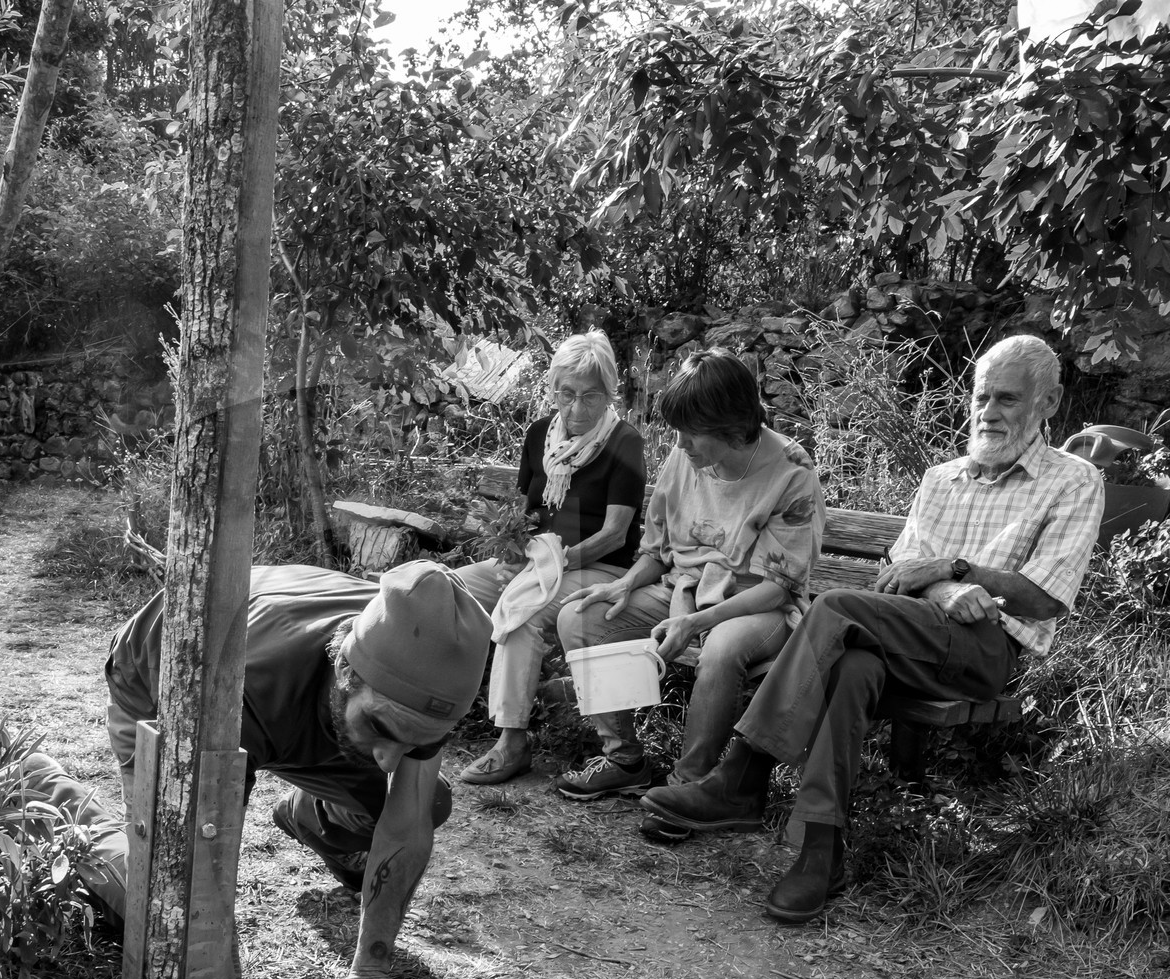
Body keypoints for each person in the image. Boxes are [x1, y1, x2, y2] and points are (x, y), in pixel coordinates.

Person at [639, 334, 1104, 922]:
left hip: (988, 649)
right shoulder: (942, 478)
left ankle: (743, 774)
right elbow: (896, 579)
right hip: (911, 631)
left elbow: (1044, 598)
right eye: (981, 396)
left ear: (1050, 403)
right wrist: (949, 586)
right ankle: (819, 850)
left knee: (835, 607)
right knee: (854, 666)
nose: (988, 412)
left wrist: (955, 569)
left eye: (1007, 399)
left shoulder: (1074, 480)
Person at [102, 561, 491, 979]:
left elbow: (407, 820)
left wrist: (371, 969)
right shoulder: (238, 680)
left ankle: (307, 815)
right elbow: (195, 872)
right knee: (155, 846)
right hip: (162, 679)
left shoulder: (420, 673)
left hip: (304, 708)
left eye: (411, 743)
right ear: (345, 671)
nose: (390, 760)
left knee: (427, 799)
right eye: (383, 729)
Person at [553, 349, 824, 807]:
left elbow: (778, 587)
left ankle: (690, 784)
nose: (680, 445)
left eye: (692, 433)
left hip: (757, 605)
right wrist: (626, 583)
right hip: (681, 592)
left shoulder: (793, 473)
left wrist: (697, 623)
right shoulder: (687, 456)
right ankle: (625, 762)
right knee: (582, 617)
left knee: (722, 647)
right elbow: (657, 552)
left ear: (733, 427)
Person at [453, 330, 647, 784]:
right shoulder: (540, 434)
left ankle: (511, 742)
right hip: (534, 561)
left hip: (594, 566)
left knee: (524, 617)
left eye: (590, 397)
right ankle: (433, 705)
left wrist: (548, 565)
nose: (576, 409)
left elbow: (614, 533)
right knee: (448, 588)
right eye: (567, 394)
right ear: (553, 389)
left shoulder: (625, 443)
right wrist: (511, 548)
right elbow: (524, 513)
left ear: (610, 394)